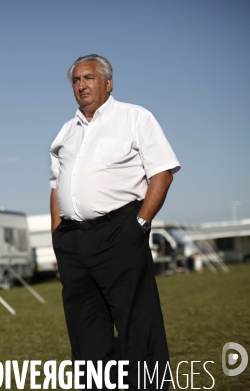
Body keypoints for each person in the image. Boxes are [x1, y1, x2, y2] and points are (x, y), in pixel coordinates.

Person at [50, 54, 180, 390]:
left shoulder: (135, 117)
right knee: (85, 328)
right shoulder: (66, 131)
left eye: (89, 78)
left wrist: (139, 225)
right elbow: (55, 186)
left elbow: (162, 173)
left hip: (119, 233)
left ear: (108, 83)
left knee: (138, 324)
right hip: (73, 243)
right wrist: (57, 236)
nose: (81, 85)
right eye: (76, 80)